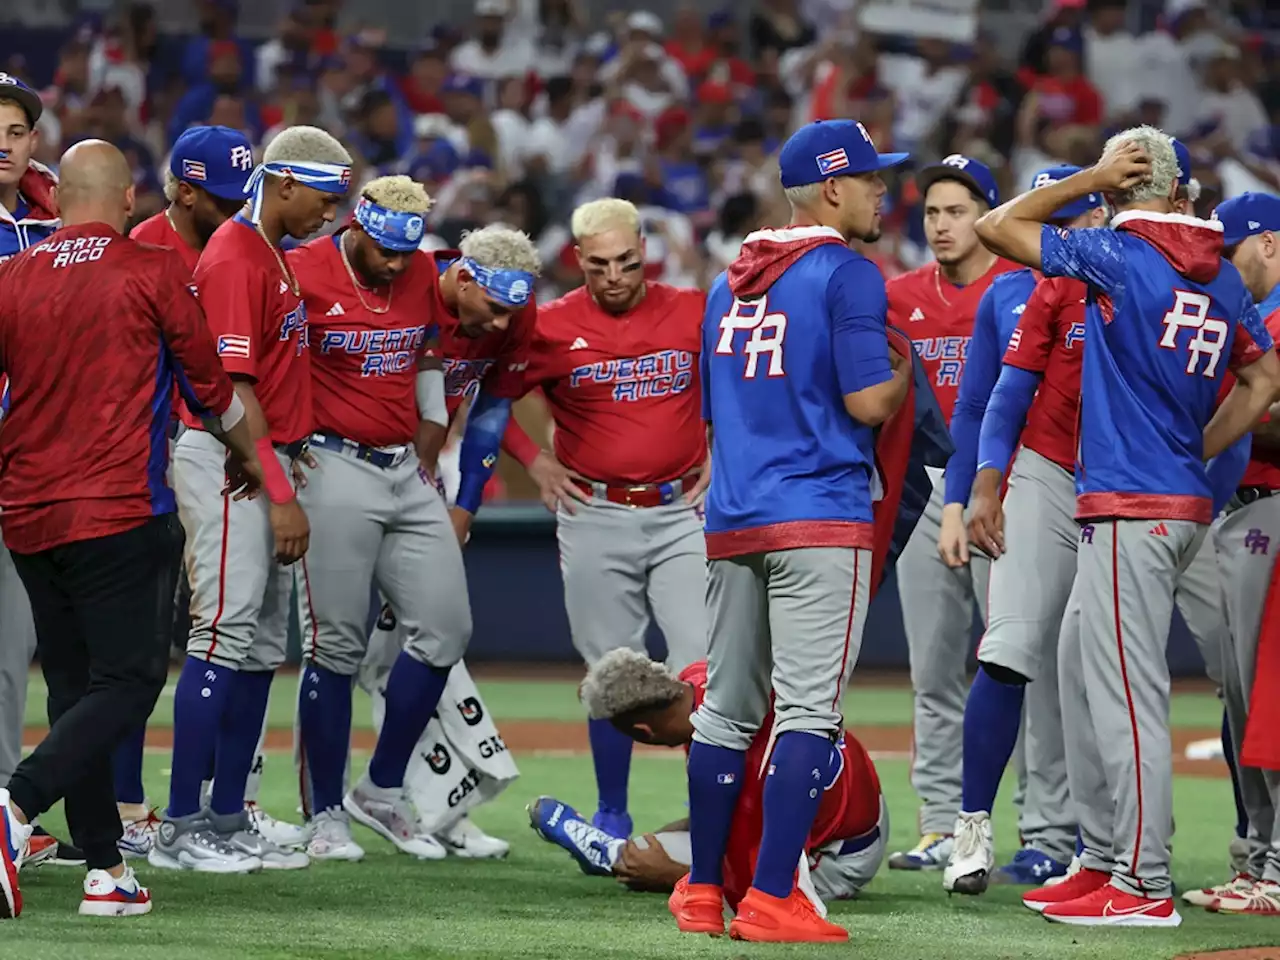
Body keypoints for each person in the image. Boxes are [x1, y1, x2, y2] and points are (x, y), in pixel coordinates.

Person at [974, 126, 1280, 926]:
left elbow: (994, 226)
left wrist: (1087, 176)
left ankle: (1141, 884)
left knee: (1124, 693)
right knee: (1084, 671)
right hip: (1172, 499)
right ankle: (1103, 856)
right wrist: (1197, 446)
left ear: (1118, 187)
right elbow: (1263, 378)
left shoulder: (1121, 253)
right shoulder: (1217, 273)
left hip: (1130, 502)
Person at [0, 139, 261, 919]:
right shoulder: (151, 272)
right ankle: (13, 807)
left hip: (28, 515)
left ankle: (106, 871)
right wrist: (252, 459)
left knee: (77, 687)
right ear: (123, 201)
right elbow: (213, 389)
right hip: (117, 509)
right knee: (133, 679)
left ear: (61, 196)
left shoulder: (9, 279)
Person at [680, 118, 910, 943]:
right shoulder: (849, 274)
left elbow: (711, 415)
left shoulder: (725, 283)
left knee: (727, 714)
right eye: (876, 178)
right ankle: (775, 897)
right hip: (818, 514)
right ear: (835, 188)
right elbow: (864, 403)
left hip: (736, 516)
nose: (887, 189)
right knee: (809, 713)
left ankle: (703, 892)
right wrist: (901, 380)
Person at [289, 177, 531, 862]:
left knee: (446, 628)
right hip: (330, 462)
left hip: (402, 466)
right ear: (358, 229)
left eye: (407, 251)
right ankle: (325, 812)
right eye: (386, 250)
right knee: (334, 646)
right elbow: (272, 363)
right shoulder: (303, 269)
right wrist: (284, 450)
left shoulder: (427, 269)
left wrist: (429, 435)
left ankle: (382, 788)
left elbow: (429, 352)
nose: (397, 264)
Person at [150, 125, 352, 874]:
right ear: (287, 184)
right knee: (220, 639)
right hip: (233, 461)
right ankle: (179, 827)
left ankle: (228, 816)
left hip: (265, 462)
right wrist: (277, 488)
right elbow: (229, 389)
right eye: (324, 200)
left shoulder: (271, 252)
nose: (331, 214)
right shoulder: (237, 255)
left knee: (260, 650)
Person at [502, 197, 709, 841]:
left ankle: (712, 810)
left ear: (644, 250)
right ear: (578, 262)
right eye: (598, 266)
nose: (614, 276)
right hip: (595, 510)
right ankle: (612, 813)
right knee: (610, 669)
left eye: (626, 261)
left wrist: (723, 452)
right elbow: (486, 394)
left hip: (682, 510)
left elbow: (744, 381)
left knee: (702, 666)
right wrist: (533, 461)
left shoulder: (693, 310)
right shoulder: (550, 324)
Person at [938, 166, 1107, 891]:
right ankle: (970, 829)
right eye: (1050, 218)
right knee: (1006, 648)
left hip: (1121, 480)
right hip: (1041, 470)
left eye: (1072, 216)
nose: (1060, 234)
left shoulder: (1139, 276)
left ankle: (1102, 845)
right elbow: (988, 399)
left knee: (1100, 668)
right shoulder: (1016, 292)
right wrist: (980, 484)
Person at [112, 123, 258, 860]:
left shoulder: (241, 247)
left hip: (213, 451)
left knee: (217, 628)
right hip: (154, 459)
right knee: (139, 645)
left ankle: (216, 800)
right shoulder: (142, 249)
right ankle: (129, 805)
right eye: (221, 197)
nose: (235, 209)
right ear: (183, 188)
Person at [885, 154, 1019, 871]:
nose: (941, 224)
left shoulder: (1018, 289)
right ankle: (939, 824)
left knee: (1011, 661)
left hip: (1004, 485)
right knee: (932, 671)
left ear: (988, 215)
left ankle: (1042, 832)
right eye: (932, 212)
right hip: (927, 487)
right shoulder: (899, 294)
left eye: (957, 210)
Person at [528, 650, 887, 905]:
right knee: (688, 833)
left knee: (646, 860)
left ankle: (609, 852)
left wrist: (672, 875)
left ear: (643, 732)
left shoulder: (741, 763)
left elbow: (755, 875)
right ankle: (626, 849)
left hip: (840, 856)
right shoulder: (699, 677)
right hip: (853, 798)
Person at [1193, 191, 1280, 915]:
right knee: (1242, 696)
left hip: (1271, 512)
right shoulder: (1233, 315)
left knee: (1270, 697)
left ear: (1270, 244)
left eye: (1231, 250)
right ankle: (1255, 856)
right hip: (1233, 510)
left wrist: (1230, 414)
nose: (1219, 264)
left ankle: (1275, 864)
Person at [0, 72, 71, 868]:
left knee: (11, 643)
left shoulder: (52, 223)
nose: (2, 143)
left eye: (14, 130)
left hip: (33, 462)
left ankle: (3, 808)